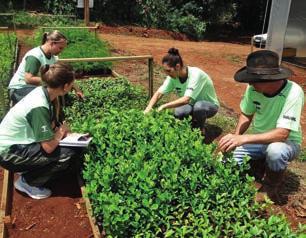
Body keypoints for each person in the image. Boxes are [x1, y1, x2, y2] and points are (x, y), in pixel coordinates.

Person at [218, 50, 304, 202]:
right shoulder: (252, 89)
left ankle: (270, 187)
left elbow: (282, 134)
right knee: (223, 163)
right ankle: (260, 161)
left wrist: (244, 140)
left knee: (276, 151)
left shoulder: (293, 92)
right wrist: (236, 137)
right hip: (259, 140)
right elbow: (246, 114)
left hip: (286, 143)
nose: (250, 83)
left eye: (253, 80)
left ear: (269, 79)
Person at [0, 62, 82, 199]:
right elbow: (48, 147)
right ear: (66, 86)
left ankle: (29, 167)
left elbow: (50, 127)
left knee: (63, 148)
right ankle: (28, 182)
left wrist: (62, 132)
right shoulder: (39, 106)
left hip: (18, 144)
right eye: (72, 83)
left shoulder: (45, 93)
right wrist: (61, 132)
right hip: (8, 153)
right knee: (67, 154)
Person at [144, 48, 219, 134]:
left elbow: (186, 99)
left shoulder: (195, 74)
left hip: (209, 105)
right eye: (165, 71)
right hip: (191, 103)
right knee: (179, 112)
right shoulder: (172, 77)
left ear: (177, 66)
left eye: (169, 71)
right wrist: (148, 108)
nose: (167, 74)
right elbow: (158, 93)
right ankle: (192, 123)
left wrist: (163, 106)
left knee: (199, 107)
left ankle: (200, 129)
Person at [8, 30, 83, 104]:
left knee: (59, 92)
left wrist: (76, 89)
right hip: (19, 89)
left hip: (34, 87)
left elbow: (63, 74)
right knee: (49, 96)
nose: (61, 51)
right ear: (52, 43)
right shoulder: (35, 56)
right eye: (60, 48)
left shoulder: (53, 58)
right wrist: (52, 81)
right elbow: (28, 79)